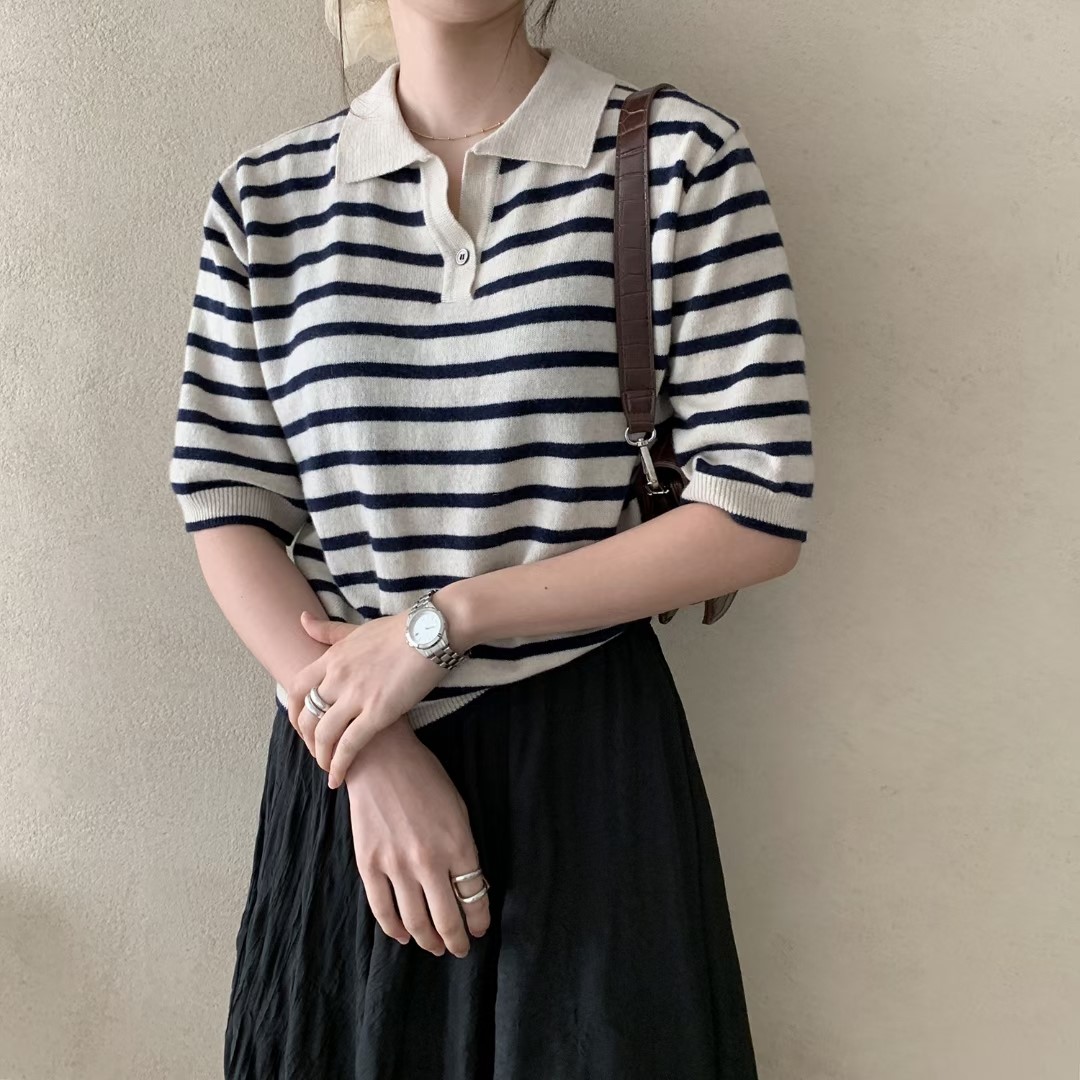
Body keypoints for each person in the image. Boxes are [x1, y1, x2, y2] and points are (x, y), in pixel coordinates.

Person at [168, 0, 815, 1076]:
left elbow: (758, 505)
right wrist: (370, 750)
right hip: (348, 769)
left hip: (587, 759)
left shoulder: (679, 161)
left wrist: (440, 626)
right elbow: (227, 502)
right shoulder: (266, 196)